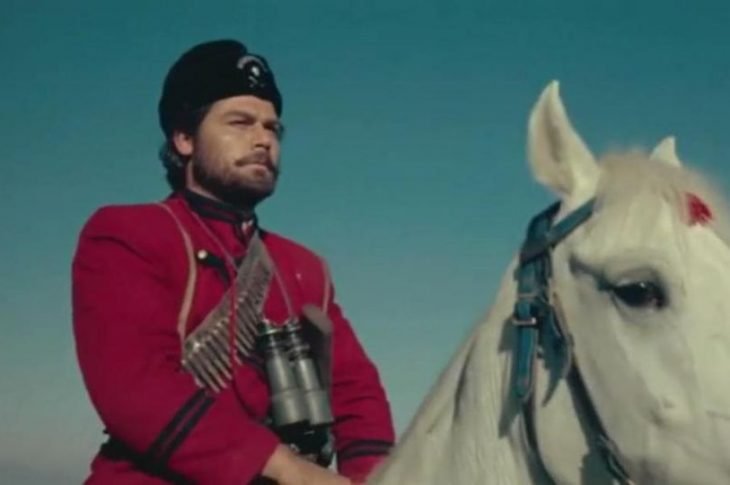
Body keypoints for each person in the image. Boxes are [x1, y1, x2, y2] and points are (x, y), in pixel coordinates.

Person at [72, 39, 395, 484]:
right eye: (240, 122)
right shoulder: (129, 234)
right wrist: (285, 467)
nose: (263, 139)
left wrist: (370, 478)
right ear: (184, 139)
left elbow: (355, 391)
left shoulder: (304, 268)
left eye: (273, 128)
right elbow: (136, 388)